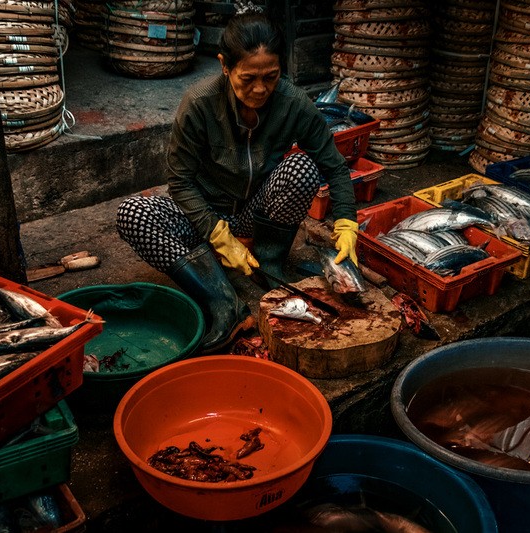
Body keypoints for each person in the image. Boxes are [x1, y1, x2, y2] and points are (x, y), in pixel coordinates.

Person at [116, 5, 359, 353]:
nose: (260, 89)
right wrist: (217, 234)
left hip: (253, 218)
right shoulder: (200, 103)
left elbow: (333, 166)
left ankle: (268, 266)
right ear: (225, 66)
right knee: (134, 213)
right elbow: (180, 180)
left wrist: (348, 220)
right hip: (204, 218)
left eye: (271, 77)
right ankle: (223, 301)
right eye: (248, 78)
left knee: (302, 168)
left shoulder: (293, 104)